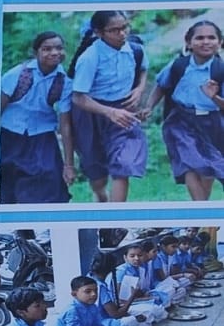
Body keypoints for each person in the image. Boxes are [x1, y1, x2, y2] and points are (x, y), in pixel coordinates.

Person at [141, 20, 224, 200]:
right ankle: (202, 213)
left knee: (209, 167)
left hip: (212, 123)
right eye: (199, 38)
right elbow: (161, 86)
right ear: (189, 43)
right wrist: (148, 107)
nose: (206, 42)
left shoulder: (221, 70)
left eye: (211, 37)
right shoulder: (179, 65)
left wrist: (213, 96)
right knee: (189, 162)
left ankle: (202, 210)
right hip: (181, 121)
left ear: (220, 43)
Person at [70, 11, 147, 202]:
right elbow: (78, 98)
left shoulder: (136, 50)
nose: (122, 33)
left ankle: (114, 222)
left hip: (123, 112)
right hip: (92, 113)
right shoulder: (90, 58)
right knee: (96, 170)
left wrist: (139, 89)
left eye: (125, 27)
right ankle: (100, 197)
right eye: (115, 30)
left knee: (123, 165)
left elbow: (144, 69)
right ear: (99, 32)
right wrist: (109, 112)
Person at [0, 31, 75, 204]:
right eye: (47, 49)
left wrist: (69, 165)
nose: (54, 53)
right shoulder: (18, 74)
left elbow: (66, 125)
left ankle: (39, 227)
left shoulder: (64, 82)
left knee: (49, 181)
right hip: (9, 135)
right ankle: (6, 227)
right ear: (36, 53)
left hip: (41, 138)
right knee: (4, 182)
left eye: (59, 48)